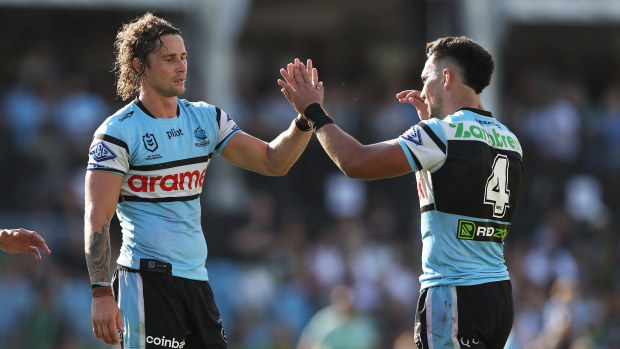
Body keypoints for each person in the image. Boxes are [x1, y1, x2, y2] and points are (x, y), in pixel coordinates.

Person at [84, 13, 315, 347]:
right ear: (138, 66)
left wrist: (304, 119)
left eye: (184, 57)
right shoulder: (116, 133)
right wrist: (101, 293)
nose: (181, 67)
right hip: (147, 282)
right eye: (168, 59)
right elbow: (97, 217)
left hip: (196, 280)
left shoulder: (206, 118)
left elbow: (272, 161)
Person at [278, 36, 523, 349]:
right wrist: (432, 122)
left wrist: (313, 111)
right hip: (498, 294)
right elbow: (464, 181)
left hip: (453, 293)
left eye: (426, 78)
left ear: (446, 78)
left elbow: (355, 162)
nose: (422, 90)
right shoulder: (509, 139)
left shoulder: (439, 135)